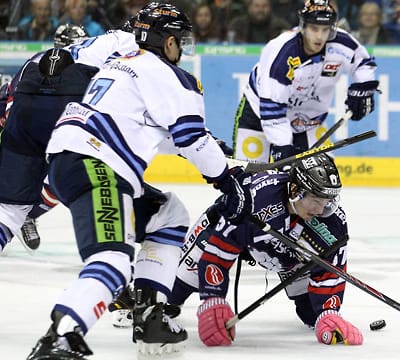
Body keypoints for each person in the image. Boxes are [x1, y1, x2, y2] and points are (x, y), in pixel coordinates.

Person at [26, 2, 252, 359]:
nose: (182, 48)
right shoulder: (171, 76)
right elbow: (191, 138)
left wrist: (210, 148)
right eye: (180, 40)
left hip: (74, 159)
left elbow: (150, 131)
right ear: (167, 42)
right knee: (114, 260)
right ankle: (61, 337)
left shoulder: (122, 62)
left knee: (168, 214)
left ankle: (150, 314)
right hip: (98, 167)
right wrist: (227, 178)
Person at [167, 153, 362, 346]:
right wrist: (213, 299)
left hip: (285, 254)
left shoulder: (332, 223)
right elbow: (218, 254)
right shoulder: (256, 201)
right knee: (173, 294)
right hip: (226, 231)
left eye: (327, 201)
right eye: (316, 200)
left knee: (312, 314)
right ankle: (147, 297)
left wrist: (328, 313)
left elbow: (329, 273)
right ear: (295, 190)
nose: (321, 210)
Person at [232, 0, 378, 163]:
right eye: (314, 29)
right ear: (303, 27)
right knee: (248, 181)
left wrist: (363, 89)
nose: (319, 36)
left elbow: (363, 63)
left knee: (320, 179)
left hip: (309, 121)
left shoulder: (340, 42)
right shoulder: (282, 52)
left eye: (325, 30)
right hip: (259, 114)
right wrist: (284, 148)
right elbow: (272, 109)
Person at [0, 23, 89, 252]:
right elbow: (13, 97)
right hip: (28, 136)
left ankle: (24, 216)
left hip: (54, 136)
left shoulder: (86, 66)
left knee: (55, 184)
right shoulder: (39, 62)